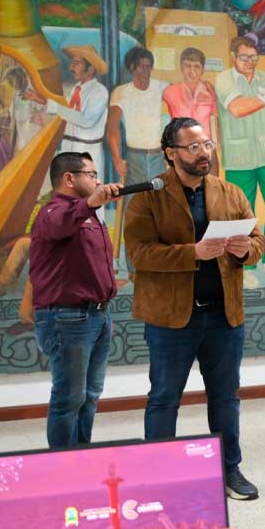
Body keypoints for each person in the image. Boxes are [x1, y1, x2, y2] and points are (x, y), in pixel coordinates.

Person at [124, 117, 265, 502]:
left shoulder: (230, 192)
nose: (203, 153)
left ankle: (229, 469)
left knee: (225, 397)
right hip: (171, 319)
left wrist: (245, 250)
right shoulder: (148, 196)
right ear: (171, 154)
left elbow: (257, 241)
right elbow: (138, 254)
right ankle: (159, 477)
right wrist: (194, 253)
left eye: (207, 145)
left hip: (224, 316)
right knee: (164, 398)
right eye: (193, 147)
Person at [29, 151, 122, 447]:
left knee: (90, 395)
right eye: (91, 175)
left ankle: (82, 457)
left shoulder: (90, 215)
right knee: (69, 397)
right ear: (69, 178)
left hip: (98, 316)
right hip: (68, 318)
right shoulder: (51, 212)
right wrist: (91, 203)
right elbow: (62, 223)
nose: (98, 180)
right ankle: (63, 465)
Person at [213, 36, 265, 285]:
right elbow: (237, 109)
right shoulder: (224, 80)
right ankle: (245, 266)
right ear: (233, 57)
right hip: (239, 158)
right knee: (241, 214)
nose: (250, 62)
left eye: (254, 57)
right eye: (244, 57)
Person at [108, 46, 169, 279]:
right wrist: (117, 158)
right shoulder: (121, 92)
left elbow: (182, 94)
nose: (145, 71)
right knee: (134, 213)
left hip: (158, 157)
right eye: (140, 66)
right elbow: (112, 127)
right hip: (134, 158)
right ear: (132, 68)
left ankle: (156, 264)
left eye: (148, 66)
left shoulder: (161, 86)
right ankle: (134, 268)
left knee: (159, 213)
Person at [43, 46, 110, 189]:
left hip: (87, 152)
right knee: (69, 192)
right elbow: (67, 113)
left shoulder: (100, 91)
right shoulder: (75, 89)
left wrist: (54, 107)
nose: (71, 67)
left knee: (88, 193)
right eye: (72, 63)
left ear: (91, 69)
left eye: (76, 63)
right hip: (69, 149)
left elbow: (86, 120)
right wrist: (43, 103)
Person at [162, 47, 221, 175]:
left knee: (210, 186)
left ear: (203, 69)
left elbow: (216, 120)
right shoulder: (170, 92)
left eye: (196, 66)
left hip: (206, 151)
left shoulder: (210, 91)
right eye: (187, 66)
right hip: (183, 151)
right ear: (181, 68)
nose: (192, 71)